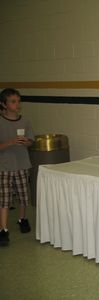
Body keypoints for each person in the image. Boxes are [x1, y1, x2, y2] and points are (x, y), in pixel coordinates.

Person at [0, 88, 34, 246]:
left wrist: (26, 142)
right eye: (13, 101)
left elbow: (31, 141)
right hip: (4, 165)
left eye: (19, 101)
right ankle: (3, 229)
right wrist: (12, 142)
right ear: (4, 104)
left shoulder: (25, 121)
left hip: (22, 163)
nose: (17, 104)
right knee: (5, 198)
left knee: (23, 195)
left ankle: (22, 219)